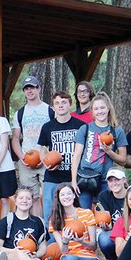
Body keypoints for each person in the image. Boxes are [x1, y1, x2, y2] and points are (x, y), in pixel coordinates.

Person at [70, 92, 127, 210]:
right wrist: (73, 181)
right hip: (85, 178)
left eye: (102, 108)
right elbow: (76, 156)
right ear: (92, 111)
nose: (100, 111)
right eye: (96, 108)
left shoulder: (117, 131)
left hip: (106, 180)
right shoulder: (85, 129)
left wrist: (109, 151)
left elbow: (123, 160)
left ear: (108, 109)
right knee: (83, 214)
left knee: (104, 214)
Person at [38, 91, 86, 223]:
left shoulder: (80, 126)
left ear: (70, 105)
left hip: (74, 177)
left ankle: (75, 240)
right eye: (57, 103)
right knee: (50, 212)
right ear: (52, 107)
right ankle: (51, 242)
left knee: (75, 213)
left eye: (64, 102)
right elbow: (42, 149)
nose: (60, 105)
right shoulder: (47, 127)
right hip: (52, 177)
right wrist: (46, 162)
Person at [10, 76, 54, 217]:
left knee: (49, 196)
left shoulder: (49, 110)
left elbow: (54, 135)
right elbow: (16, 138)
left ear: (39, 88)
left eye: (32, 87)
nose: (29, 91)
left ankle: (51, 228)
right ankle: (39, 227)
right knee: (32, 198)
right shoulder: (20, 113)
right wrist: (20, 156)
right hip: (27, 160)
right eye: (26, 88)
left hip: (45, 159)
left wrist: (48, 156)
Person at [0, 187, 53, 260]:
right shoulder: (6, 221)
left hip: (30, 257)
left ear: (32, 201)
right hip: (11, 256)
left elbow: (43, 247)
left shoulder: (38, 222)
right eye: (21, 198)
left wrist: (36, 254)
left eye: (28, 198)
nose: (24, 201)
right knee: (20, 254)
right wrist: (14, 250)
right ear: (15, 200)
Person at [45, 183, 96, 260]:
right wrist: (65, 241)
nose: (66, 197)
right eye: (62, 195)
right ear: (58, 198)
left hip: (88, 259)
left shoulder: (87, 214)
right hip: (67, 257)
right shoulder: (54, 220)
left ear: (74, 195)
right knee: (67, 258)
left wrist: (81, 241)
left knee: (69, 259)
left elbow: (93, 246)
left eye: (69, 193)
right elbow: (63, 251)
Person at [96, 168, 128, 260]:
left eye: (117, 180)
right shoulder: (104, 196)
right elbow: (105, 219)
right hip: (115, 232)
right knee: (104, 238)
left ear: (124, 180)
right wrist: (105, 226)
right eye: (110, 180)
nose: (114, 183)